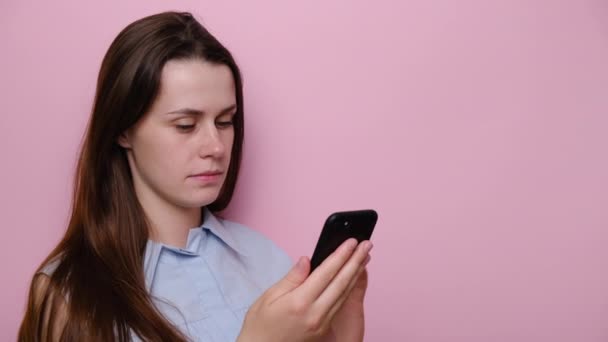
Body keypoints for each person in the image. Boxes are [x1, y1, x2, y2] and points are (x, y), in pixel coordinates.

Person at [18, 11, 373, 342]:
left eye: (225, 121)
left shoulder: (271, 263)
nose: (216, 146)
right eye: (185, 125)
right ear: (123, 130)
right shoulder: (67, 292)